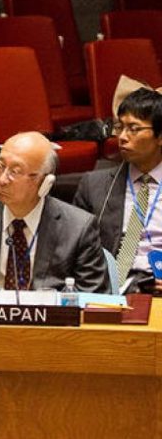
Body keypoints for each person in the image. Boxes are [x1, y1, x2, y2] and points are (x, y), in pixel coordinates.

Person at [0, 132, 108, 292]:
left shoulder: (78, 229)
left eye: (15, 172)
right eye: (0, 167)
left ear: (45, 182)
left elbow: (93, 299)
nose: (1, 180)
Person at [74, 81, 162, 294]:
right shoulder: (94, 185)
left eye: (134, 129)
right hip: (112, 287)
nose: (122, 137)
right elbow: (74, 249)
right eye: (120, 127)